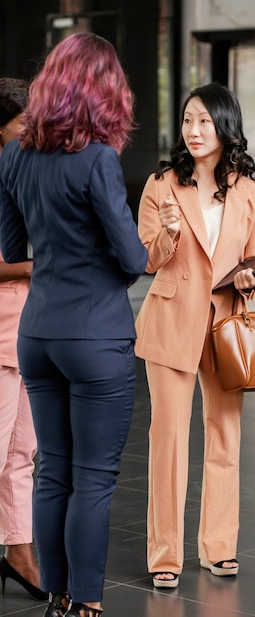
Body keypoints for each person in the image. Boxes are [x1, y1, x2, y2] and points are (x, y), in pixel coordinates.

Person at [0, 34, 148, 617]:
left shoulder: (12, 156)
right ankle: (85, 602)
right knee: (94, 477)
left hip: (37, 335)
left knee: (52, 471)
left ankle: (58, 598)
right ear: (104, 92)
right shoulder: (99, 160)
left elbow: (13, 246)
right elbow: (133, 260)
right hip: (97, 337)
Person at [135, 82, 255, 588]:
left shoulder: (251, 190)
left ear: (225, 126)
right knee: (167, 442)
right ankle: (165, 556)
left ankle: (219, 547)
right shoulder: (160, 184)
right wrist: (168, 230)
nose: (193, 130)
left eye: (204, 122)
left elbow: (254, 261)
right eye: (188, 120)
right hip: (171, 321)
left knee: (225, 438)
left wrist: (248, 280)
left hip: (225, 325)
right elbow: (147, 260)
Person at [0, 77, 48, 602]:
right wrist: (46, 263)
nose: (33, 131)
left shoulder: (25, 174)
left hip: (28, 332)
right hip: (1, 330)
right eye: (22, 124)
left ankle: (19, 549)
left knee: (23, 451)